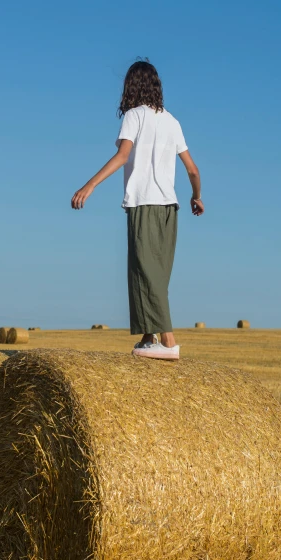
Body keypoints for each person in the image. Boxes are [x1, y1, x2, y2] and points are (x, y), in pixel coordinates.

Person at [71, 59, 203, 360]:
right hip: (171, 207)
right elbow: (193, 170)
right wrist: (197, 197)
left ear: (131, 87)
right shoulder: (172, 121)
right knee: (156, 274)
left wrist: (90, 185)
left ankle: (169, 343)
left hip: (145, 204)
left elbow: (122, 156)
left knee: (146, 274)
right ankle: (148, 338)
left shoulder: (134, 116)